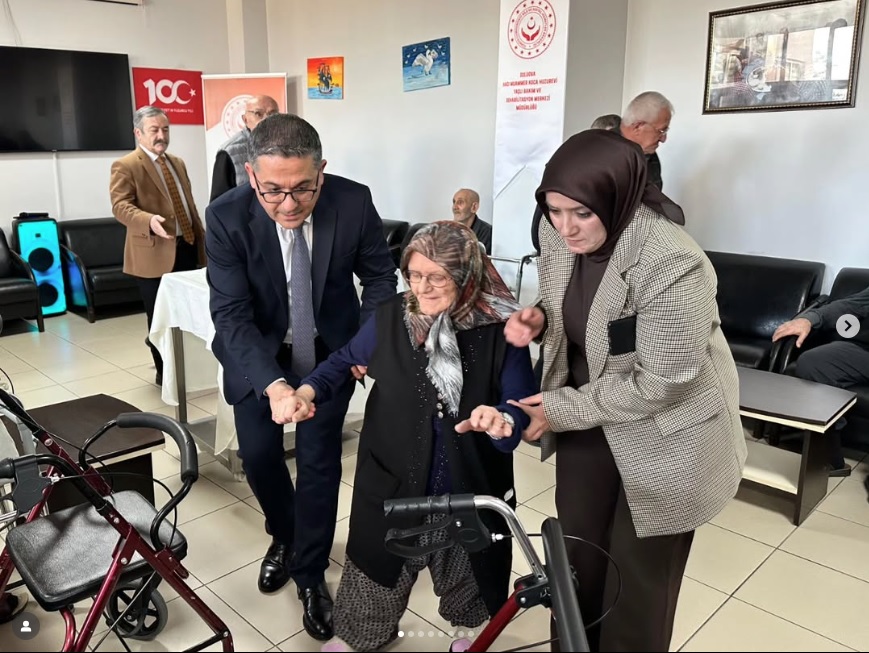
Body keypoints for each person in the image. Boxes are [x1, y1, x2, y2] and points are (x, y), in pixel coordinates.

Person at [505, 129, 746, 652]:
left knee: (639, 582)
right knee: (577, 559)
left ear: (617, 198)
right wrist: (540, 318)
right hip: (590, 420)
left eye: (581, 213)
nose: (565, 227)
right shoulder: (555, 233)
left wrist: (558, 409)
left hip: (667, 431)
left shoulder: (672, 260)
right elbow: (569, 302)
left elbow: (664, 381)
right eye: (554, 210)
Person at [282, 221, 536, 652]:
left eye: (437, 277)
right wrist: (306, 392)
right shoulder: (391, 316)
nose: (422, 288)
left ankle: (469, 635)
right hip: (392, 476)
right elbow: (342, 361)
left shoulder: (501, 330)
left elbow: (519, 407)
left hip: (468, 481)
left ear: (467, 273)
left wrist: (503, 420)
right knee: (376, 567)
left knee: (470, 570)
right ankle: (363, 634)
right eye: (414, 275)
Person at [205, 113, 397, 641]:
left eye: (302, 189)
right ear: (251, 175)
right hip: (259, 355)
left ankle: (310, 573)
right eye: (273, 191)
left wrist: (364, 346)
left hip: (329, 354)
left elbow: (380, 279)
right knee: (259, 457)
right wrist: (274, 386)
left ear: (321, 171)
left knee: (318, 463)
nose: (289, 204)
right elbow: (231, 315)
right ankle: (285, 536)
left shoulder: (352, 202)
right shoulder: (225, 217)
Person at [110, 106, 205, 386]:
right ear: (138, 133)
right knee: (160, 318)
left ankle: (188, 368)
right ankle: (165, 373)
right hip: (153, 253)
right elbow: (120, 206)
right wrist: (148, 220)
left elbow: (188, 205)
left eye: (165, 129)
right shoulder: (126, 165)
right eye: (154, 130)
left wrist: (201, 237)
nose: (161, 135)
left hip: (186, 246)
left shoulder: (177, 162)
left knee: (188, 314)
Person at [772, 285, 869, 477]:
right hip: (864, 352)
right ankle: (830, 456)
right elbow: (851, 305)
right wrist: (809, 319)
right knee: (813, 363)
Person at [210, 94, 280, 201]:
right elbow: (218, 204)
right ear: (245, 119)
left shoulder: (287, 146)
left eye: (272, 114)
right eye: (258, 114)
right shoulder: (229, 152)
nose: (266, 119)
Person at [618, 91, 674, 191]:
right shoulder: (601, 153)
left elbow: (654, 197)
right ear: (637, 127)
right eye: (661, 131)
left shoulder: (650, 156)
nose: (663, 139)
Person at [452, 188, 492, 253]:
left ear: (474, 207)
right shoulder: (447, 230)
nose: (454, 207)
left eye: (460, 202)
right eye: (454, 202)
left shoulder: (488, 233)